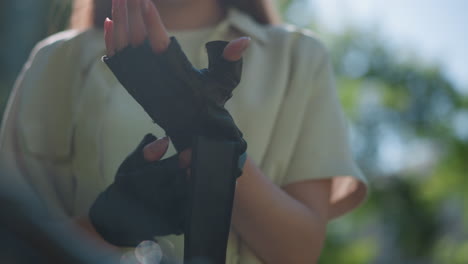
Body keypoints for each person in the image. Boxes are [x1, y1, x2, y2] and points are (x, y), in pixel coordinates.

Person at [0, 0, 368, 263]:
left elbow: (298, 251)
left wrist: (215, 149)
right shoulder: (57, 60)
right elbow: (11, 240)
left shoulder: (298, 56)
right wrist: (105, 225)